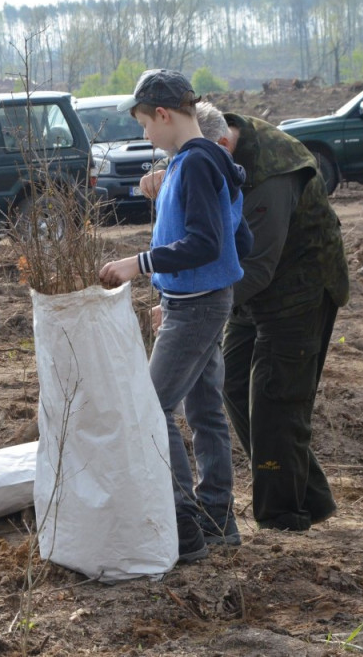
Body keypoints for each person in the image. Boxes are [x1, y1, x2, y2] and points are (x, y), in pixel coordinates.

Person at [144, 102, 349, 532]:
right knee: (232, 382)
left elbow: (256, 264)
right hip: (240, 290)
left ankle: (283, 516)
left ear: (222, 144)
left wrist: (191, 303)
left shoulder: (272, 173)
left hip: (300, 290)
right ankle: (304, 494)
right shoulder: (213, 149)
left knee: (276, 397)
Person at [99, 70, 252, 563]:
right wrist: (174, 290)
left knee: (150, 407)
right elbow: (238, 241)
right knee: (204, 410)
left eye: (145, 124)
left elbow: (206, 242)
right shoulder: (199, 163)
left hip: (198, 306)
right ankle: (217, 519)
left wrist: (139, 265)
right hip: (195, 302)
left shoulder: (197, 165)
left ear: (163, 115)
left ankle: (184, 525)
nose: (145, 134)